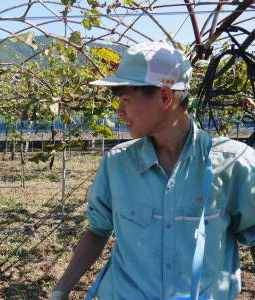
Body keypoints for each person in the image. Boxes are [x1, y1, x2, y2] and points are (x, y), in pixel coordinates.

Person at [49, 42, 255, 299]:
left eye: (125, 100)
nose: (119, 112)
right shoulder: (117, 163)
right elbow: (98, 230)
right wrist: (61, 290)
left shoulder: (234, 162)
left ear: (165, 98)